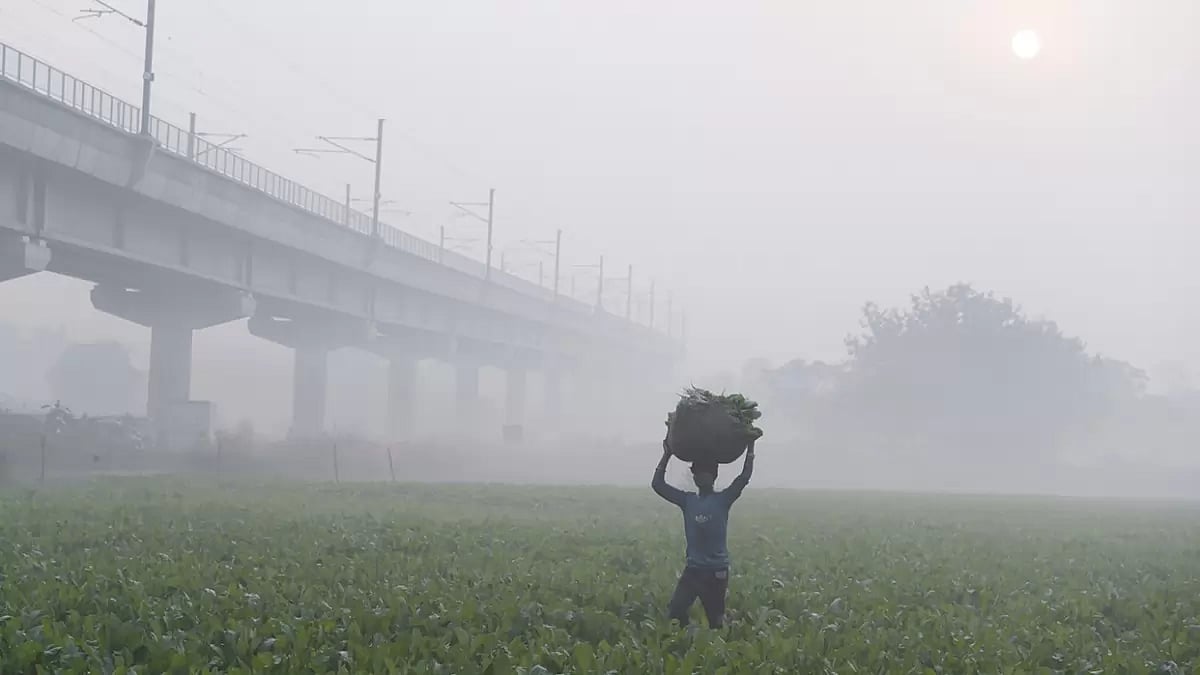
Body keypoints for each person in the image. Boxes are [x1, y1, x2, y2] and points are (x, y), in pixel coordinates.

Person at [652, 436, 756, 628]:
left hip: (716, 572)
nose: (703, 477)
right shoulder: (687, 501)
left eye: (708, 474)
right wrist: (667, 454)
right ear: (694, 477)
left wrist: (751, 446)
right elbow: (657, 485)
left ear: (714, 476)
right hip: (693, 571)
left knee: (715, 622)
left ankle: (718, 638)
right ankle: (690, 637)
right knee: (675, 612)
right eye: (700, 474)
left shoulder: (724, 499)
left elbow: (744, 477)